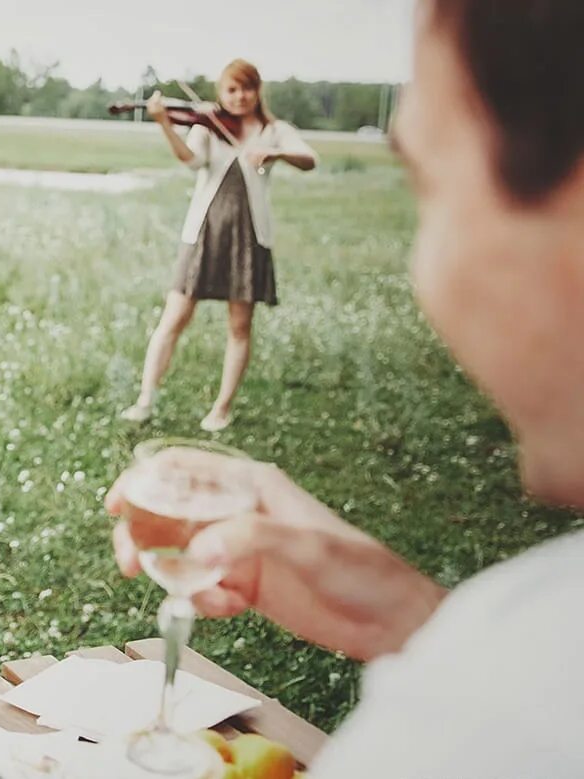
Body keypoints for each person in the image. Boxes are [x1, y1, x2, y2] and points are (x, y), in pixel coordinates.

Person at [109, 1, 584, 774]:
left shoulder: (497, 723)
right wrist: (414, 619)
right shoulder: (549, 628)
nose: (423, 274)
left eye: (427, 183)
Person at [121, 59, 317, 431]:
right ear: (220, 92)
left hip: (249, 237)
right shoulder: (208, 125)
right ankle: (145, 400)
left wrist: (276, 154)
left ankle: (221, 408)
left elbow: (309, 160)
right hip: (203, 233)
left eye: (247, 88)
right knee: (174, 317)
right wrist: (164, 124)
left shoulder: (274, 130)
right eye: (231, 89)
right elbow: (191, 160)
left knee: (239, 326)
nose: (240, 96)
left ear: (258, 91)